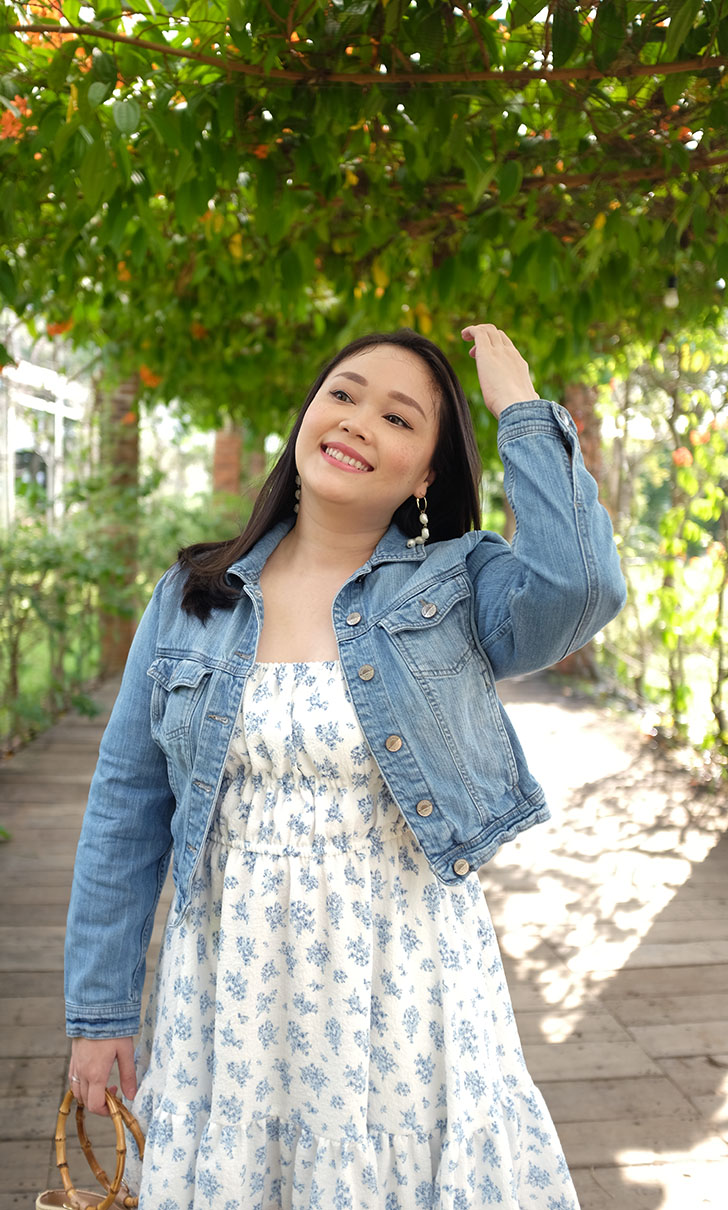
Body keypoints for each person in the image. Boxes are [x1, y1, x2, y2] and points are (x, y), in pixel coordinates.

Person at [64, 324, 625, 1209]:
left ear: (427, 475)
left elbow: (581, 587)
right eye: (343, 395)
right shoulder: (191, 600)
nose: (359, 421)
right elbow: (124, 807)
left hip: (408, 1000)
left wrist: (519, 410)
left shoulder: (456, 586)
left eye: (399, 418)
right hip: (232, 1001)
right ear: (308, 417)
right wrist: (101, 1013)